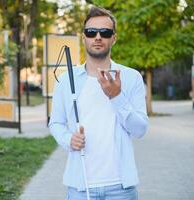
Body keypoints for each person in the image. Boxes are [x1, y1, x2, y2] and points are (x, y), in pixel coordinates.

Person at [49, 6, 148, 200]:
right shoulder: (65, 80)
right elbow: (55, 123)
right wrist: (69, 139)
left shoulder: (131, 78)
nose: (98, 37)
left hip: (121, 187)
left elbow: (140, 130)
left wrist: (117, 97)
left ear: (114, 38)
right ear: (83, 37)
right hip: (80, 186)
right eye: (91, 32)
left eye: (105, 32)